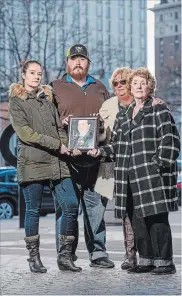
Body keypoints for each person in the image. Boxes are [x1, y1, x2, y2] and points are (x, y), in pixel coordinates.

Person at [89, 67, 180, 275]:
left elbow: (171, 140)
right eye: (136, 83)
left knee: (156, 220)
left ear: (150, 86)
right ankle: (146, 260)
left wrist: (157, 164)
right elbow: (117, 145)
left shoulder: (159, 109)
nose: (139, 86)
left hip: (152, 175)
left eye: (143, 82)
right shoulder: (125, 115)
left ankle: (165, 262)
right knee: (137, 220)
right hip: (128, 176)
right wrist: (99, 152)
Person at [8, 59, 82, 273]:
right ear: (24, 75)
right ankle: (34, 258)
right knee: (33, 210)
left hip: (57, 161)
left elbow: (59, 128)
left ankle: (65, 257)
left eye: (39, 73)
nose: (37, 76)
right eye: (32, 72)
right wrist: (57, 145)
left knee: (70, 204)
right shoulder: (16, 100)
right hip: (33, 162)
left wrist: (68, 145)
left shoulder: (47, 98)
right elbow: (25, 134)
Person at [51, 44, 114, 268]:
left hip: (94, 159)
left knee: (95, 208)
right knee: (67, 209)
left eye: (82, 59)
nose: (78, 62)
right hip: (66, 160)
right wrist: (62, 123)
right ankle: (66, 254)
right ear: (67, 62)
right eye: (74, 58)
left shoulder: (100, 87)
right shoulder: (55, 87)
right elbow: (49, 122)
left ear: (89, 63)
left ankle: (98, 253)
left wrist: (104, 146)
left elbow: (109, 121)